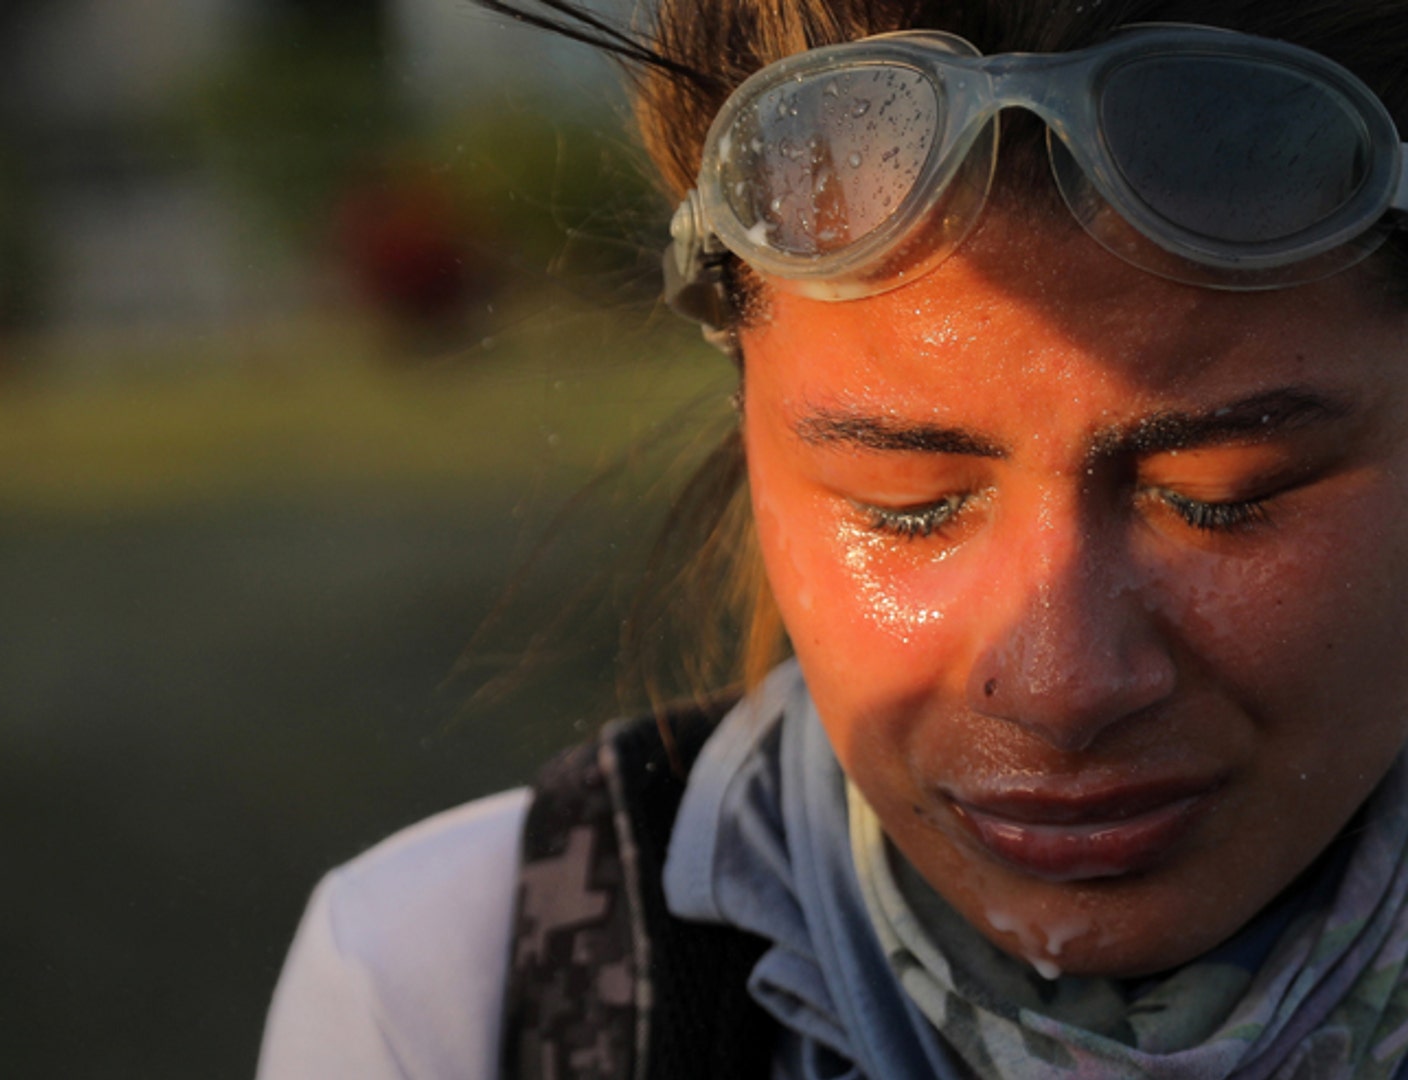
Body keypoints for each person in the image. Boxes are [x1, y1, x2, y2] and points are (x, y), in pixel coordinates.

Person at [257, 0, 1408, 1076]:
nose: (1062, 688)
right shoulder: (454, 1002)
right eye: (904, 501)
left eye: (1219, 492)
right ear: (751, 421)